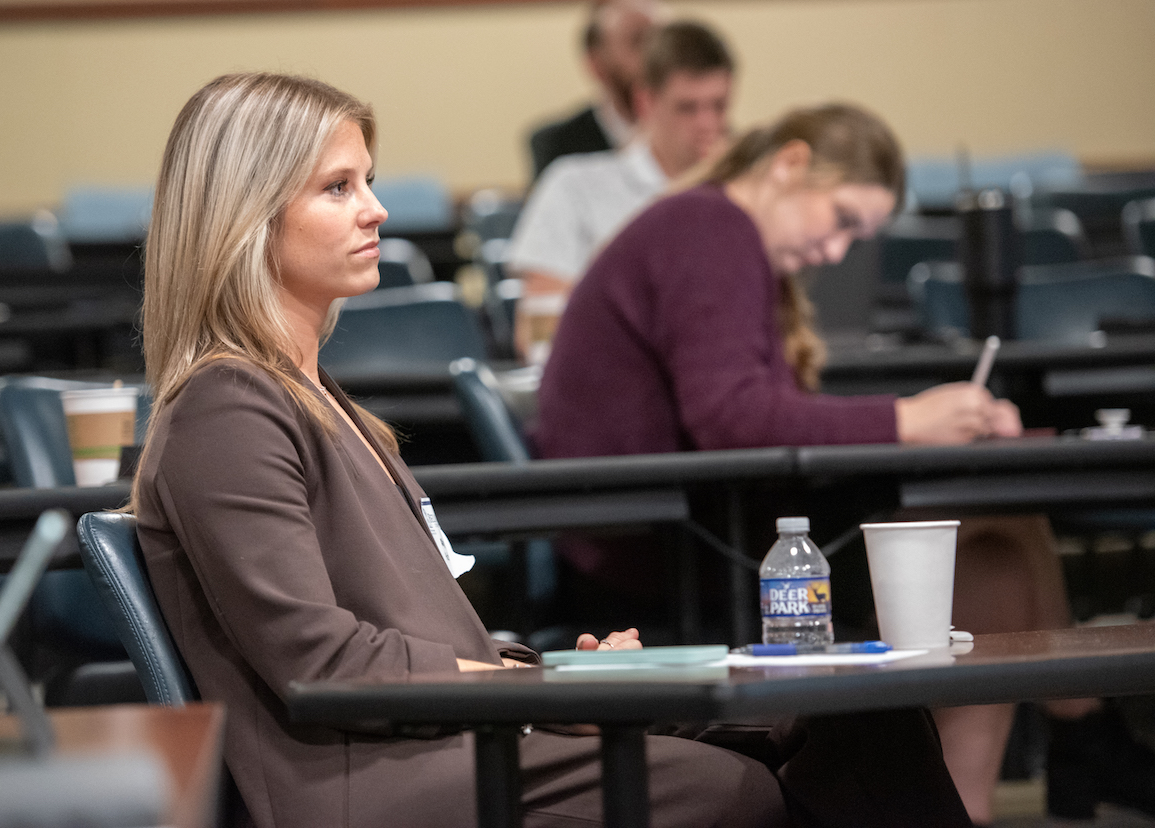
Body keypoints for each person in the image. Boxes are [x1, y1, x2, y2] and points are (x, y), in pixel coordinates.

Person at [132, 73, 975, 828]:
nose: (376, 210)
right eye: (338, 188)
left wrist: (557, 671)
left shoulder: (321, 401)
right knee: (730, 790)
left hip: (450, 728)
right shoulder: (227, 408)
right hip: (369, 776)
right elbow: (320, 662)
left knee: (855, 712)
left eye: (370, 183)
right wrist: (533, 691)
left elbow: (419, 632)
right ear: (246, 215)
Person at [534, 103, 1155, 825]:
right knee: (994, 516)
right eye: (841, 220)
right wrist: (912, 419)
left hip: (693, 519)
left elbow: (745, 415)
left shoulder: (710, 227)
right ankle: (1080, 739)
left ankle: (989, 792)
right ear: (790, 165)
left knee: (997, 546)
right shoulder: (708, 227)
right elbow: (733, 417)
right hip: (668, 546)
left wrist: (927, 422)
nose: (837, 252)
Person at [508, 19, 735, 362]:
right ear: (645, 103)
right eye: (687, 108)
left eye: (718, 106)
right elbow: (538, 336)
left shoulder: (743, 192)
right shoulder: (574, 185)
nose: (707, 124)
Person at [528, 0, 669, 181]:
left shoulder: (702, 129)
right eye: (638, 41)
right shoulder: (557, 144)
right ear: (597, 65)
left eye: (663, 42)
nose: (654, 56)